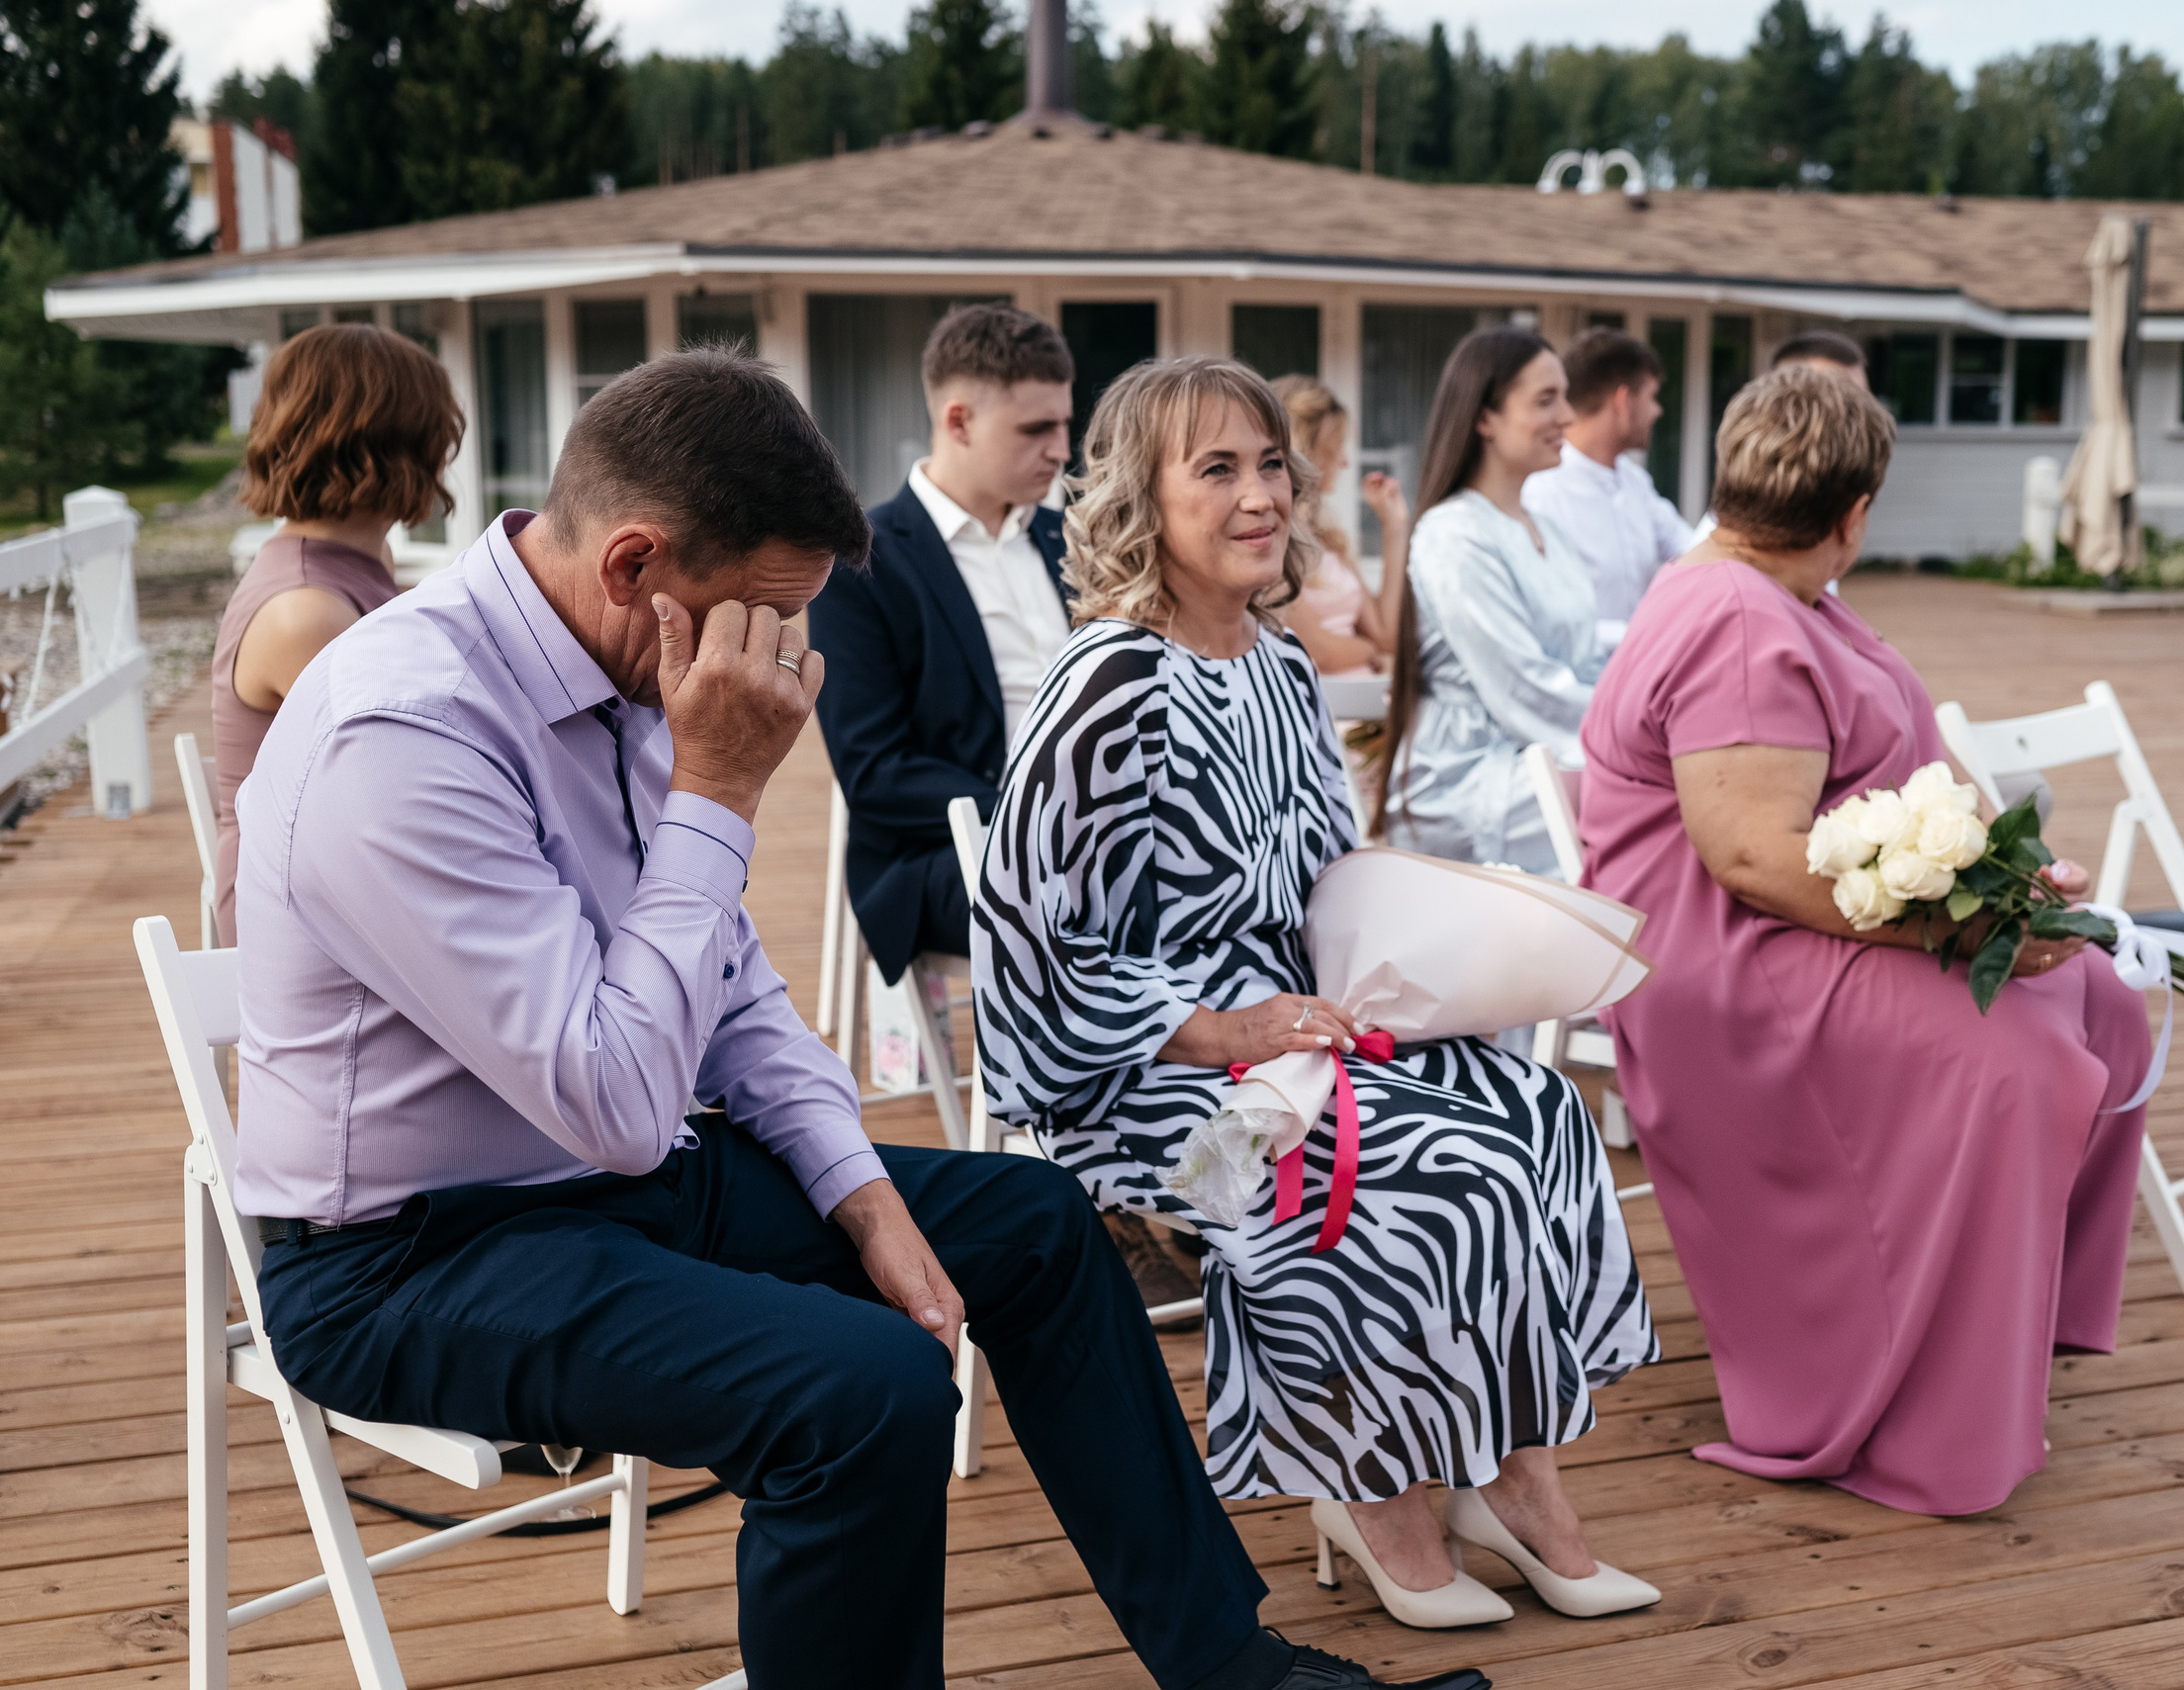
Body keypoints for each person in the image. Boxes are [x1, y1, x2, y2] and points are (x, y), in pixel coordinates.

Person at [232, 348, 1483, 1690]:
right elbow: (611, 1093)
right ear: (634, 567)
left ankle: (1234, 1668)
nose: (787, 665)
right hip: (414, 1256)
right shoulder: (405, 734)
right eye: (765, 621)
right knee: (863, 1387)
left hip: (624, 1180)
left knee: (1038, 1226)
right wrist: (717, 793)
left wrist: (867, 1195)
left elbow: (732, 999)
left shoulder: (635, 663)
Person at [971, 356, 1659, 1634]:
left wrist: (1412, 968)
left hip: (1312, 1029)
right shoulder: (1107, 683)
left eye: (1270, 464)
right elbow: (1031, 944)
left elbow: (1321, 883)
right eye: (1216, 469)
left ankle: (1516, 1483)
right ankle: (1370, 1479)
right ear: (1141, 497)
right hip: (1156, 1097)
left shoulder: (1281, 665)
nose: (1259, 496)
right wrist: (1226, 1028)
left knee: (1530, 1113)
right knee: (1396, 1159)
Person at [1577, 364, 2153, 1517]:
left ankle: (2001, 1337)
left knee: (2102, 996)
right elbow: (1749, 854)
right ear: (1853, 512)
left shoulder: (1784, 589)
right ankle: (1917, 1403)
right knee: (2017, 1064)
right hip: (1728, 956)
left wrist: (2007, 883)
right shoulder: (1736, 620)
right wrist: (1963, 924)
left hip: (1803, 913)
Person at [806, 303, 1072, 986]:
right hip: (941, 856)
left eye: (1066, 423)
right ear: (959, 420)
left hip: (1086, 842)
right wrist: (1033, 823)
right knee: (1077, 902)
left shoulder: (1073, 541)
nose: (1062, 448)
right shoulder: (861, 562)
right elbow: (875, 770)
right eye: (1037, 428)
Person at [210, 321, 463, 942]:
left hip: (339, 865)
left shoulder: (347, 569)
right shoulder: (307, 608)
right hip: (291, 905)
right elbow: (404, 780)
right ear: (398, 444)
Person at [1374, 327, 1602, 875]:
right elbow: (1522, 686)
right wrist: (1633, 734)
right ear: (1484, 419)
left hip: (1541, 753)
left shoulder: (1542, 527)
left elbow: (1592, 648)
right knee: (1665, 795)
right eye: (1546, 400)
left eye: (1565, 396)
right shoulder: (1454, 535)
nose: (1568, 416)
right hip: (1469, 778)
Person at [1519, 327, 1693, 641]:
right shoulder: (1541, 492)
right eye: (1652, 397)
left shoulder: (1635, 482)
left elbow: (1692, 551)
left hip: (1640, 671)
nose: (1658, 411)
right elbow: (1543, 622)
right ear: (1623, 401)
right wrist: (1647, 637)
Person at [1684, 329, 1872, 557]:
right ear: (1784, 397)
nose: (1862, 419)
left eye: (1863, 401)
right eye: (1842, 399)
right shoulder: (1732, 558)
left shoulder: (1813, 532)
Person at [1271, 374, 1409, 677]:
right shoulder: (1269, 537)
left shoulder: (1327, 538)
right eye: (1335, 447)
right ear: (1306, 451)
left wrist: (1394, 527)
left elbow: (1386, 635)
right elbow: (1317, 651)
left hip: (1363, 707)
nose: (1345, 462)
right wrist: (1370, 653)